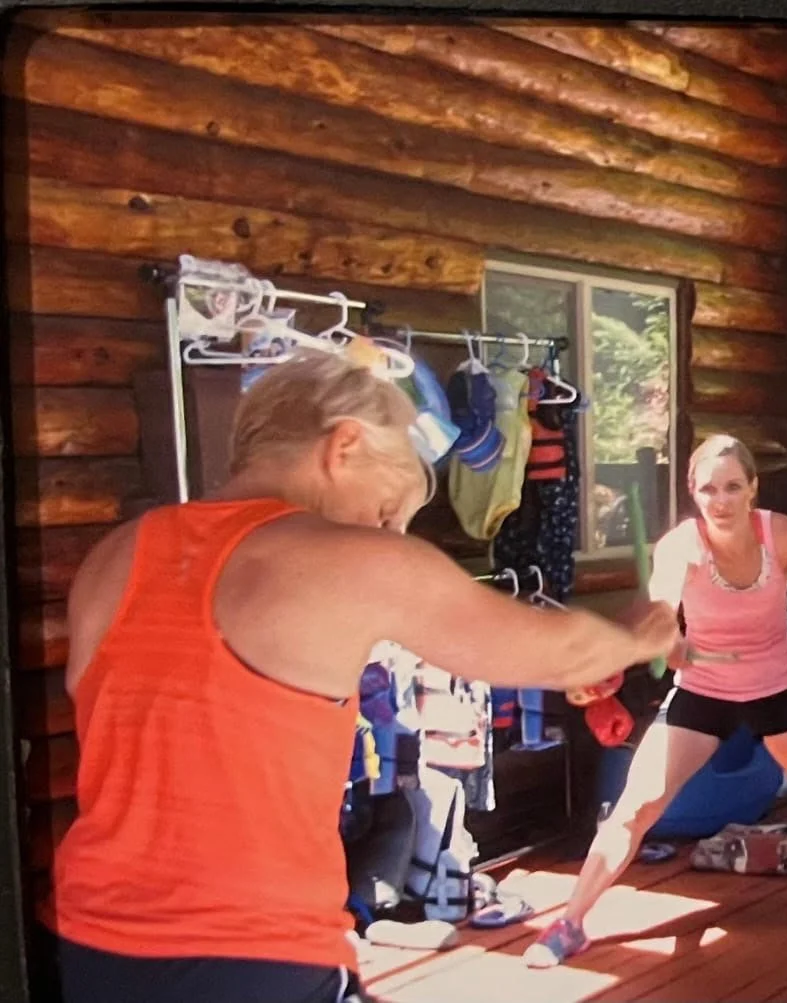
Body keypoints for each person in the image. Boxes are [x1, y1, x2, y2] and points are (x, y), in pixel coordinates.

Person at [45, 351, 682, 1003]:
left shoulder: (114, 556)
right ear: (343, 445)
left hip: (98, 942)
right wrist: (636, 632)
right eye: (383, 510)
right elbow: (563, 650)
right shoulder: (338, 555)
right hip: (253, 949)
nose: (386, 532)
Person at [525, 434, 787, 968]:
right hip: (705, 693)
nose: (721, 500)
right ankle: (571, 924)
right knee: (636, 808)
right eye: (708, 489)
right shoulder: (682, 544)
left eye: (732, 487)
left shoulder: (782, 534)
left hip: (779, 689)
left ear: (752, 487)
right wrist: (668, 639)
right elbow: (661, 604)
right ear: (692, 491)